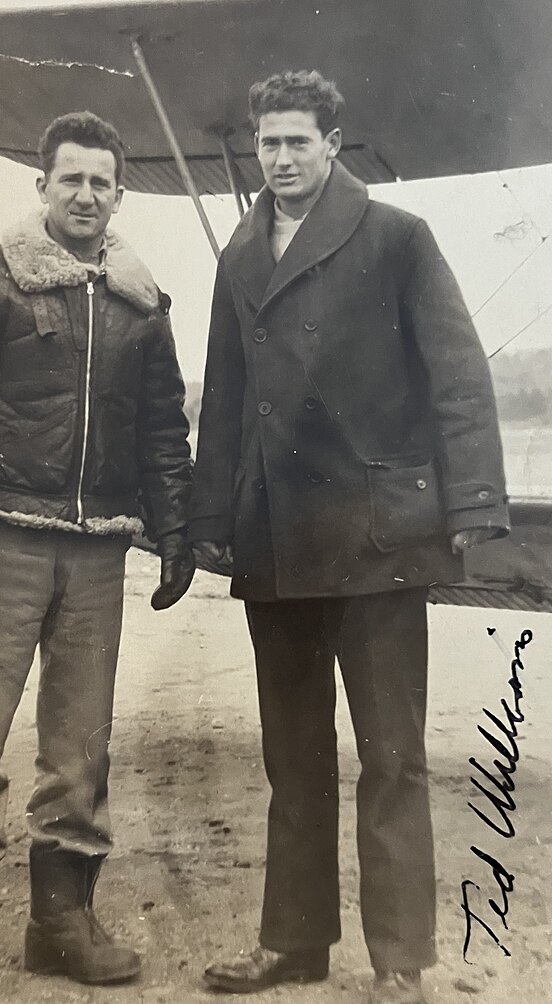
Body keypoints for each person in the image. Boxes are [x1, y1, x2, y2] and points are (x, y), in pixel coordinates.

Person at [190, 70, 509, 1004]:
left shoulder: (399, 237)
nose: (280, 158)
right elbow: (225, 402)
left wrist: (474, 502)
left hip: (377, 539)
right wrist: (211, 522)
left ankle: (401, 960)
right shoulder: (240, 256)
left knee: (392, 757)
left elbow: (457, 373)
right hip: (278, 543)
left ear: (334, 142)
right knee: (293, 759)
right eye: (268, 143)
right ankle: (292, 945)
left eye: (297, 141)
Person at [0, 111, 194, 1002]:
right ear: (42, 187)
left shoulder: (141, 303)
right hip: (0, 535)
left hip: (97, 554)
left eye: (101, 181)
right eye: (70, 180)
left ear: (120, 194)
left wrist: (175, 529)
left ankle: (60, 924)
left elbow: (164, 426)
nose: (85, 194)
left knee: (79, 744)